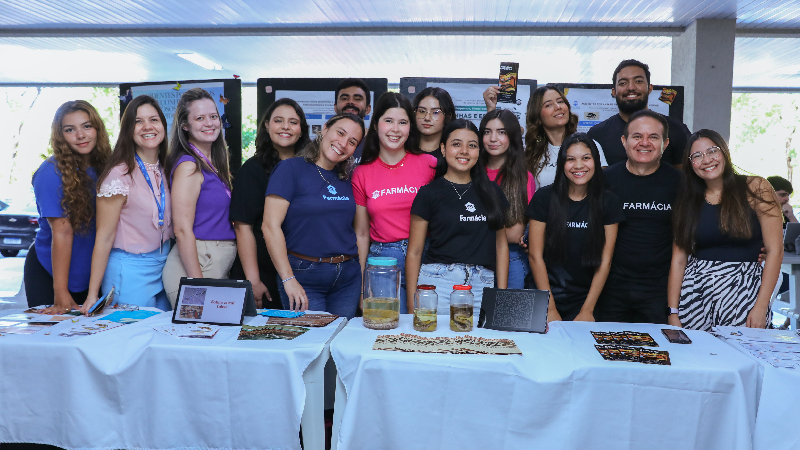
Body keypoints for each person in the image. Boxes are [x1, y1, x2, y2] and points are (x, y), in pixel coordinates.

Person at [668, 130, 783, 331]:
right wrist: (673, 312)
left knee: (741, 358)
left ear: (724, 152)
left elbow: (775, 251)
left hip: (744, 292)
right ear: (690, 164)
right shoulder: (687, 199)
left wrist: (761, 307)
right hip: (695, 295)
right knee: (698, 358)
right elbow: (678, 260)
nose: (706, 160)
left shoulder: (755, 187)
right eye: (697, 156)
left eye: (712, 151)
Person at [262, 114, 365, 318]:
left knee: (340, 343)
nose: (343, 144)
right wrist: (287, 278)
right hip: (304, 275)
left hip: (347, 277)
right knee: (313, 343)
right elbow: (270, 226)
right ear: (325, 129)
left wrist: (361, 281)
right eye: (340, 133)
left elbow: (359, 232)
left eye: (352, 142)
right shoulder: (290, 169)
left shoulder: (348, 178)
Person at [406, 119, 509, 314]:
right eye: (456, 144)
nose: (464, 151)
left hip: (482, 285)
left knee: (480, 344)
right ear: (443, 149)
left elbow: (501, 246)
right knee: (434, 344)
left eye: (472, 145)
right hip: (438, 284)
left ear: (479, 152)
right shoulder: (429, 193)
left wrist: (500, 295)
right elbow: (415, 251)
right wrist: (413, 304)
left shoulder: (493, 192)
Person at [82, 95, 173, 313]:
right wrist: (92, 294)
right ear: (128, 130)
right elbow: (104, 237)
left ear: (163, 125)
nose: (147, 127)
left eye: (153, 120)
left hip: (165, 267)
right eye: (138, 121)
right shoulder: (118, 175)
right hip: (130, 270)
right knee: (132, 341)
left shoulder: (166, 169)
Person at [595, 109, 681, 324]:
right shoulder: (603, 180)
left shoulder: (681, 183)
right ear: (624, 141)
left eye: (653, 137)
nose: (645, 143)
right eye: (637, 136)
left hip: (659, 293)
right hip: (609, 290)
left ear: (665, 143)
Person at [24, 100, 111, 313]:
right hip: (51, 274)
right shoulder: (50, 173)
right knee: (53, 340)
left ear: (97, 129)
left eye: (87, 126)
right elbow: (62, 234)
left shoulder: (107, 167)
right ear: (61, 136)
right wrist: (60, 291)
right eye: (70, 129)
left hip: (92, 276)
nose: (80, 135)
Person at [526, 133, 623, 322]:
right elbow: (535, 255)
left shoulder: (608, 202)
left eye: (586, 158)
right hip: (543, 295)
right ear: (562, 164)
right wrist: (550, 308)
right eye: (570, 159)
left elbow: (605, 260)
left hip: (586, 299)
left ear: (596, 161)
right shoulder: (544, 198)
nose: (579, 166)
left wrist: (587, 310)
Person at [353, 93, 435, 312]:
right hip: (382, 261)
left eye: (403, 122)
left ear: (411, 128)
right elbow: (361, 234)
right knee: (383, 328)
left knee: (424, 329)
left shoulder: (430, 165)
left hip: (425, 256)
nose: (395, 129)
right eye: (388, 121)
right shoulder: (361, 173)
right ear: (376, 124)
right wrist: (361, 287)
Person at [229, 98, 310, 309]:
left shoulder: (309, 168)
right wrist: (253, 280)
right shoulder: (252, 170)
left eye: (293, 122)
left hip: (300, 271)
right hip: (262, 272)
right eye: (278, 120)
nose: (285, 127)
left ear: (301, 129)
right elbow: (242, 227)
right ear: (267, 125)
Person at [163, 88, 236, 307]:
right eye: (200, 118)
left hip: (213, 264)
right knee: (199, 337)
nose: (209, 123)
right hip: (197, 266)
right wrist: (198, 284)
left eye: (213, 116)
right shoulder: (189, 165)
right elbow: (182, 230)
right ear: (185, 125)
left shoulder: (213, 163)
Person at [484, 85, 607, 187]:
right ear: (537, 116)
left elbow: (603, 186)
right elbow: (495, 160)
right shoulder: (530, 152)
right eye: (548, 105)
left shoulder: (590, 145)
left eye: (560, 102)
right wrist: (491, 109)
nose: (558, 107)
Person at [587, 59, 691, 167]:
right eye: (623, 83)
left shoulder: (676, 129)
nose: (631, 87)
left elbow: (685, 178)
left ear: (650, 88)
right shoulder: (597, 134)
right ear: (614, 92)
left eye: (638, 81)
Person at [479, 109, 536, 289]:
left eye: (501, 132)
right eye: (487, 132)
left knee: (508, 316)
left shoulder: (524, 178)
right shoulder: (470, 172)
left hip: (512, 258)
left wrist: (474, 230)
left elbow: (514, 234)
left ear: (512, 137)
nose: (493, 138)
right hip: (474, 258)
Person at [412, 87, 457, 164]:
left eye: (435, 112)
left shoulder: (453, 153)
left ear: (448, 116)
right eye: (422, 111)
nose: (427, 118)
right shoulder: (403, 150)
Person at [334, 78, 372, 165]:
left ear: (367, 109)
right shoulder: (325, 142)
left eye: (357, 99)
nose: (350, 102)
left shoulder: (377, 142)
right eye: (344, 98)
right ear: (335, 107)